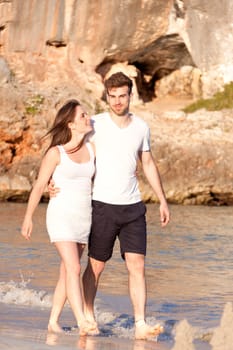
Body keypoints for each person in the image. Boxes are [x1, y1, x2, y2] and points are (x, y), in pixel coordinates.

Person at [49, 72, 170, 340]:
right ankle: (88, 317)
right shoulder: (95, 125)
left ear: (130, 96)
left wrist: (162, 200)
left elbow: (147, 163)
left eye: (122, 96)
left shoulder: (141, 127)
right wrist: (50, 181)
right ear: (106, 96)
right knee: (95, 267)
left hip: (133, 207)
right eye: (112, 96)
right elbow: (65, 148)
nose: (117, 101)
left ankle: (140, 323)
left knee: (137, 266)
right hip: (102, 206)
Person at [21, 99, 97, 336]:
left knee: (67, 271)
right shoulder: (56, 153)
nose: (88, 118)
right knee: (74, 267)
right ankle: (82, 321)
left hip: (84, 217)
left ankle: (53, 320)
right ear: (71, 124)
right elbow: (39, 185)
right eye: (83, 115)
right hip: (61, 215)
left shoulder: (93, 149)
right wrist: (28, 217)